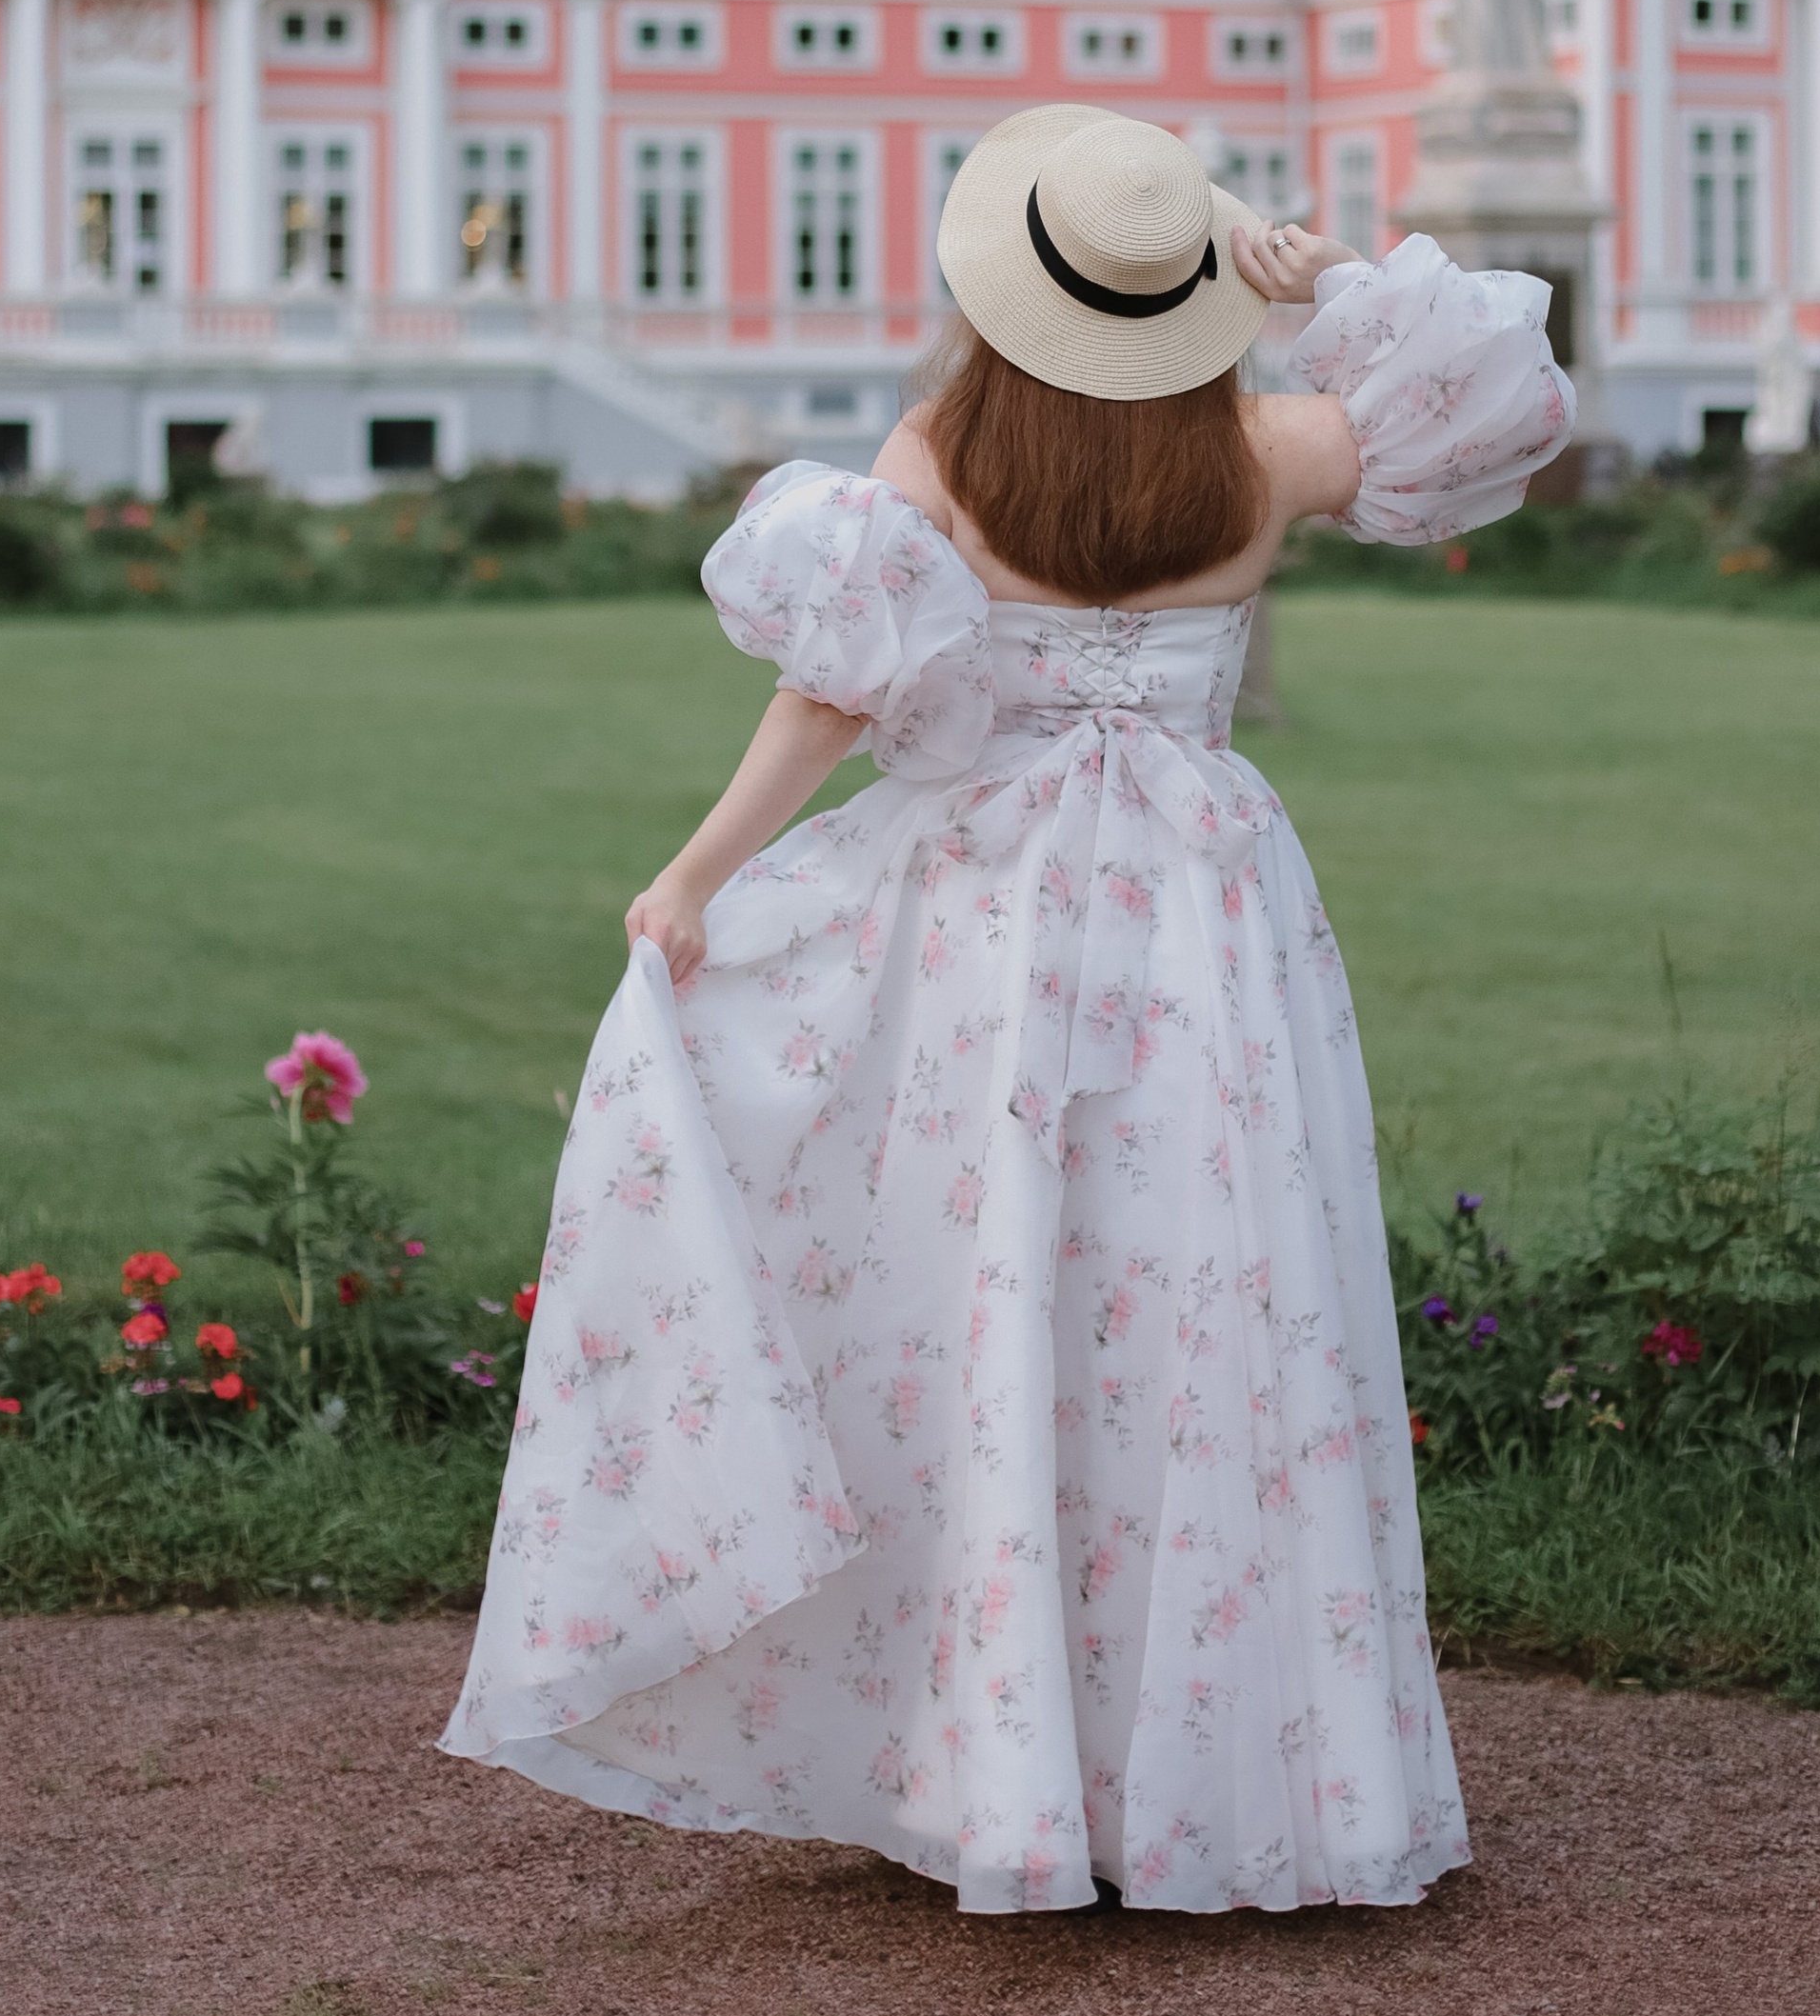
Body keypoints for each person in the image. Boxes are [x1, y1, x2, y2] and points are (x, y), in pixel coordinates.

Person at [443, 104, 1574, 1913]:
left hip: (990, 910)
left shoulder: (935, 460)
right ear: (1195, 291)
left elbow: (829, 700)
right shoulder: (1274, 447)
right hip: (1206, 905)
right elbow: (1502, 398)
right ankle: (1218, 1780)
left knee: (1004, 1303)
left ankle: (1011, 1770)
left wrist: (698, 877)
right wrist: (1329, 283)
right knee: (1205, 1300)